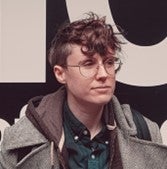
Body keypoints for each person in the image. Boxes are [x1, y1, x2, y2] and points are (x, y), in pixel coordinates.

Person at [0, 12, 167, 169]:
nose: (103, 74)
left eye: (109, 62)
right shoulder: (20, 141)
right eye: (88, 64)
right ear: (60, 73)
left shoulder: (146, 133)